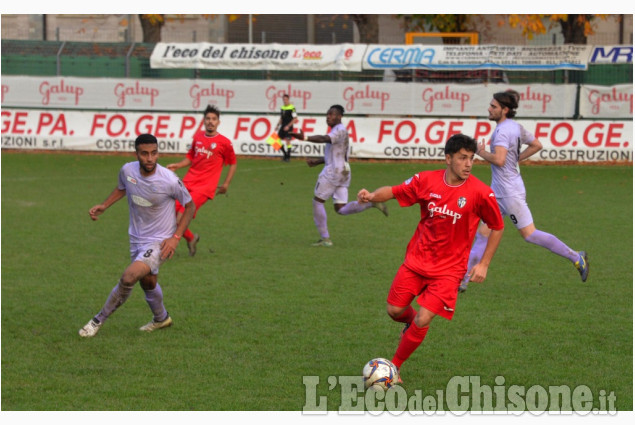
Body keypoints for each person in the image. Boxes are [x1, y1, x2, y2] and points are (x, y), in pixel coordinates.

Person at [357, 134, 505, 382]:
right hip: (416, 261)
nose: (468, 164)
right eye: (462, 158)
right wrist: (372, 196)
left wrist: (484, 264)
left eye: (471, 159)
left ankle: (394, 367)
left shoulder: (481, 192)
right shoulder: (425, 180)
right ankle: (412, 325)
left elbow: (497, 226)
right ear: (448, 158)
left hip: (450, 270)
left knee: (425, 317)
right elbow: (394, 191)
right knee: (394, 310)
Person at [459, 90, 589, 292]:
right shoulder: (515, 127)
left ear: (505, 110)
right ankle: (464, 279)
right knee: (482, 234)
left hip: (509, 193)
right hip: (500, 190)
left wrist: (481, 152)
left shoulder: (503, 131)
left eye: (493, 106)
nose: (489, 108)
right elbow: (536, 145)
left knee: (530, 235)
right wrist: (517, 159)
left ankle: (576, 257)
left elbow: (500, 160)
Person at [79, 134, 195, 338]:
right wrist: (105, 205)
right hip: (136, 238)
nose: (150, 158)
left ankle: (98, 320)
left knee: (129, 276)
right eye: (145, 154)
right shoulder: (127, 170)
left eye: (154, 153)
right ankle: (162, 319)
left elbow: (189, 206)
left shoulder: (169, 179)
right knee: (148, 282)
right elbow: (123, 187)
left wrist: (176, 238)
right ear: (137, 154)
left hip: (161, 241)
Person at [289, 104, 388, 247]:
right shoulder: (340, 132)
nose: (329, 117)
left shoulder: (339, 130)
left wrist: (304, 137)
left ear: (340, 116)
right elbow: (337, 154)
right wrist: (317, 161)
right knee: (340, 208)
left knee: (318, 201)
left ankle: (325, 239)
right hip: (344, 172)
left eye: (332, 114)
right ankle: (372, 203)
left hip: (333, 173)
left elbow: (324, 138)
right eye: (328, 114)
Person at [167, 105, 237, 256]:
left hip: (205, 187)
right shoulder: (198, 137)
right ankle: (191, 238)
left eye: (214, 119)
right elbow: (191, 157)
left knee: (180, 217)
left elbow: (233, 163)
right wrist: (178, 165)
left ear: (218, 122)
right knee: (170, 215)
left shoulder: (224, 142)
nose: (210, 122)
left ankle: (168, 248)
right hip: (188, 182)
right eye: (208, 119)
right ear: (204, 121)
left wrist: (226, 184)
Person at [275, 94, 299, 162]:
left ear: (288, 100)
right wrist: (277, 125)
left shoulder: (292, 108)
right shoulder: (282, 108)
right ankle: (285, 155)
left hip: (289, 126)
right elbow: (281, 118)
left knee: (288, 141)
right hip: (283, 126)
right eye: (284, 99)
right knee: (276, 140)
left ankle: (288, 157)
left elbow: (295, 118)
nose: (285, 101)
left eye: (286, 99)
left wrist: (288, 126)